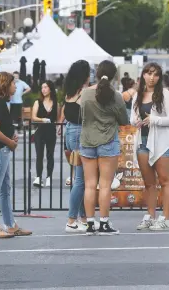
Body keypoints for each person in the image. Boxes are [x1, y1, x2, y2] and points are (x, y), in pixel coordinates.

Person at [80, 60, 129, 235]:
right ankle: (104, 223)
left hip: (86, 142)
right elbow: (124, 120)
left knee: (90, 185)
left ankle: (90, 224)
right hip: (108, 141)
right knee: (105, 185)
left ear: (97, 73)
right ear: (114, 75)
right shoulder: (116, 96)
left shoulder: (85, 94)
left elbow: (81, 116)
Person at [131, 63, 169, 231]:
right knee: (149, 183)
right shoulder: (138, 94)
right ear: (143, 75)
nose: (152, 77)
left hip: (163, 141)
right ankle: (150, 215)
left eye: (156, 74)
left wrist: (155, 119)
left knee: (165, 180)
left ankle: (166, 218)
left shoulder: (165, 94)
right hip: (143, 141)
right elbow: (132, 117)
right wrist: (136, 121)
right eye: (149, 73)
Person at [0, 72, 32, 238]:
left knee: (5, 188)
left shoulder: (0, 103)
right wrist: (9, 142)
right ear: (5, 85)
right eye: (13, 83)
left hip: (2, 149)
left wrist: (10, 135)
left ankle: (10, 224)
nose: (15, 86)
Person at [60, 61, 91, 233]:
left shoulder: (69, 92)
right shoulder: (84, 93)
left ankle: (83, 218)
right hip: (80, 133)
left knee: (79, 178)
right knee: (80, 180)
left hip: (70, 131)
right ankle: (71, 220)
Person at [32, 81, 58, 188]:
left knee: (50, 155)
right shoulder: (37, 102)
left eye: (46, 87)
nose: (43, 89)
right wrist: (42, 119)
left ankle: (49, 177)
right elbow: (33, 117)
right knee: (39, 155)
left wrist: (59, 127)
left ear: (50, 89)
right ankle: (38, 177)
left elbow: (57, 118)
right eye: (42, 87)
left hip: (51, 131)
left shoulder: (56, 103)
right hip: (40, 131)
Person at [10, 71, 31, 136]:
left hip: (19, 102)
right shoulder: (10, 82)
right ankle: (11, 130)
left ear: (18, 76)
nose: (15, 78)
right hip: (11, 102)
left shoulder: (22, 82)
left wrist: (23, 93)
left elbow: (28, 88)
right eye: (14, 77)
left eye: (16, 76)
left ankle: (19, 130)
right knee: (11, 116)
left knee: (18, 117)